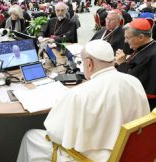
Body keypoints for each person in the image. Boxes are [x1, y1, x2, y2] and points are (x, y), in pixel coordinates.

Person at [17, 40, 149, 162]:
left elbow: (54, 135)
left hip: (96, 158)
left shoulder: (79, 94)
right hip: (129, 151)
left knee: (31, 136)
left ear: (89, 63)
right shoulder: (134, 81)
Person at [115, 18, 156, 110]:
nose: (125, 41)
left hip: (145, 104)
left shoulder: (151, 55)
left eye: (128, 37)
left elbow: (131, 82)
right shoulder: (146, 47)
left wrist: (122, 63)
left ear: (141, 37)